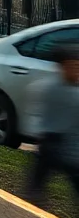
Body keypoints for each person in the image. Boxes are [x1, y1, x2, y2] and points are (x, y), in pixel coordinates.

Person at [26, 42, 79, 203]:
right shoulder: (52, 89)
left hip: (68, 149)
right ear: (62, 67)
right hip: (53, 145)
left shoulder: (57, 88)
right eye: (73, 66)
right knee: (36, 186)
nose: (76, 70)